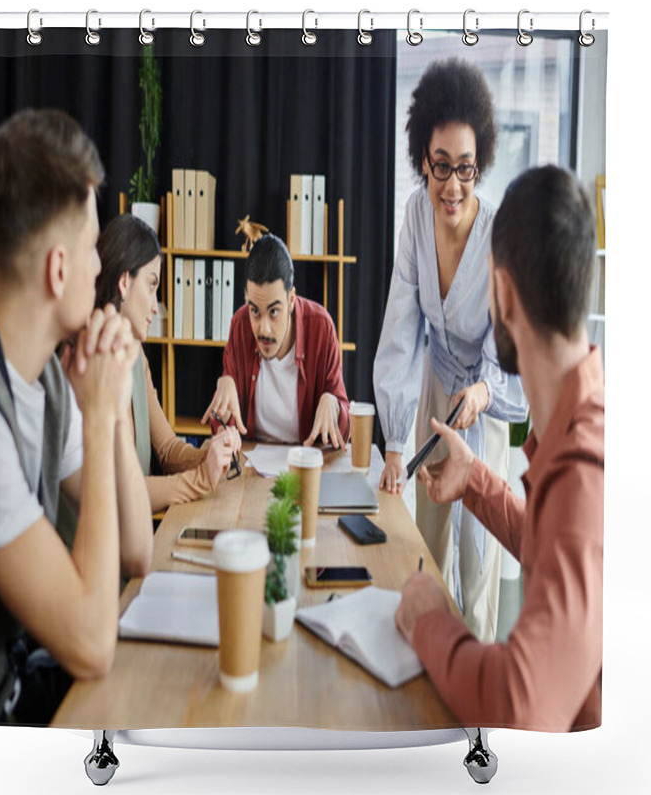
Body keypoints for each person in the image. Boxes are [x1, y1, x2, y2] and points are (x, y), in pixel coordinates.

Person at [395, 165, 604, 731]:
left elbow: (519, 700)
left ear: (503, 292)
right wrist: (479, 482)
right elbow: (549, 544)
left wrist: (432, 622)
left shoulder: (585, 470)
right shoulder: (578, 431)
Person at [0, 109, 153, 724]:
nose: (103, 268)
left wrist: (114, 401)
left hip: (29, 688)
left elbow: (136, 551)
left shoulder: (45, 372)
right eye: (92, 248)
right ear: (59, 268)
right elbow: (93, 644)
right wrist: (99, 417)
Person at [373, 58, 527, 642]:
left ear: (479, 164)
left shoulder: (497, 231)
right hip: (438, 385)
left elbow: (508, 337)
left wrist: (485, 389)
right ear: (423, 161)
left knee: (478, 558)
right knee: (430, 540)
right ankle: (435, 675)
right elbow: (401, 331)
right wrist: (392, 442)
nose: (453, 185)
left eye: (466, 168)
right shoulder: (415, 216)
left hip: (484, 394)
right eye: (441, 167)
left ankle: (479, 698)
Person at [94, 214, 241, 513]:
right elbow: (122, 490)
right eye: (151, 285)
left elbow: (168, 449)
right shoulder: (89, 366)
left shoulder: (135, 356)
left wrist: (213, 453)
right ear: (124, 281)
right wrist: (201, 480)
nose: (155, 305)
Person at [202, 233, 350, 448]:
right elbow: (224, 432)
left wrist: (334, 404)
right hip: (252, 468)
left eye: (273, 311)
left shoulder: (321, 327)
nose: (263, 328)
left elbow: (344, 433)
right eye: (255, 310)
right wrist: (224, 390)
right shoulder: (240, 325)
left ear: (291, 300)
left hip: (304, 466)